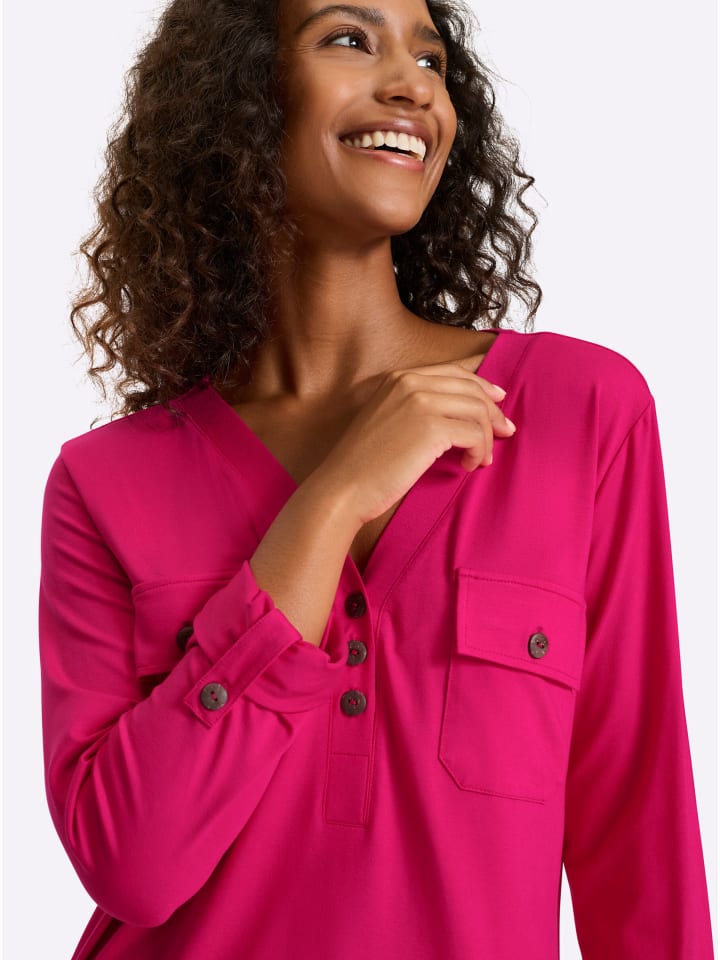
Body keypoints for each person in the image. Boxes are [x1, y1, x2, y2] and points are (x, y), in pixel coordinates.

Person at [38, 0, 714, 957]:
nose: (411, 86)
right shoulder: (104, 482)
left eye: (430, 59)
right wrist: (336, 497)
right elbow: (134, 866)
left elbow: (638, 833)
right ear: (239, 95)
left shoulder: (579, 410)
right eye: (349, 40)